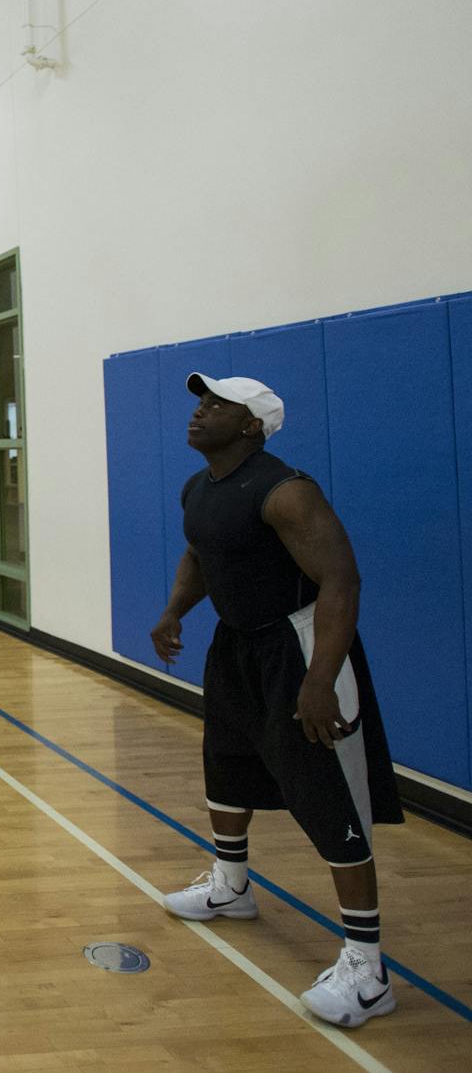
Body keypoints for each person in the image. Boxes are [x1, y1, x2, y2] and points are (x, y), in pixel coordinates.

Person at [152, 373, 403, 1028]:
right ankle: (230, 887)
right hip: (236, 647)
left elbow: (341, 577)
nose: (200, 412)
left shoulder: (286, 491)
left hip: (299, 648)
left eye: (216, 405)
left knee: (327, 795)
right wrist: (175, 609)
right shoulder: (199, 488)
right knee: (226, 769)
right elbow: (201, 554)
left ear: (251, 425)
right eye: (199, 402)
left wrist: (320, 678)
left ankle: (367, 967)